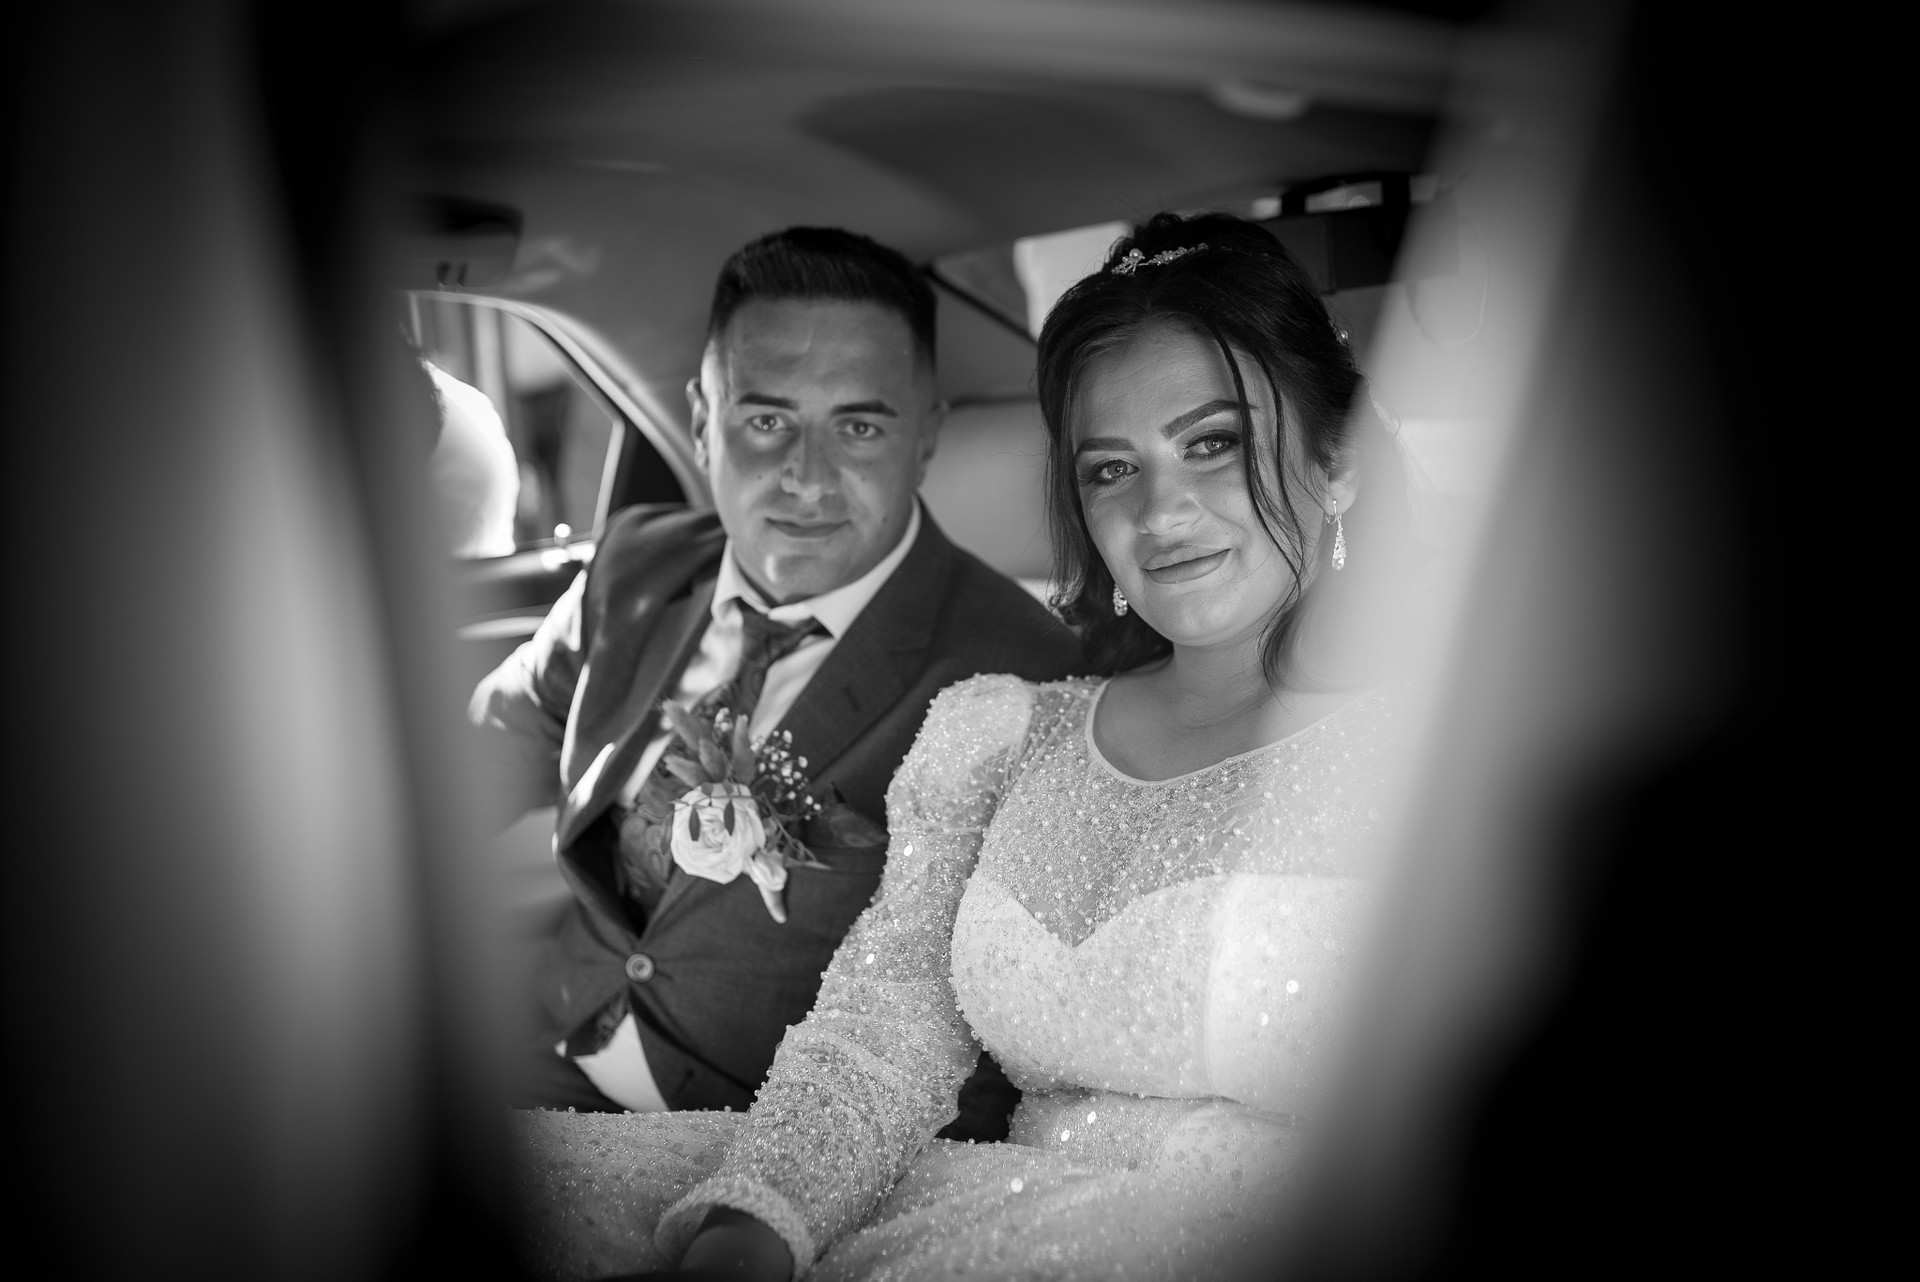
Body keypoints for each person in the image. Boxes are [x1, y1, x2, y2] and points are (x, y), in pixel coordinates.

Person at [511, 212, 1417, 1281]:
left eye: (1213, 443)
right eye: (1110, 469)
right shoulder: (1001, 734)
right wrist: (748, 1232)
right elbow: (879, 1035)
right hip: (973, 1222)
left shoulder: (1446, 753)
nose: (1162, 511)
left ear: (1339, 462)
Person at [471, 227, 1083, 1126]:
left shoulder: (1025, 674)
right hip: (546, 1049)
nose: (806, 478)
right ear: (699, 423)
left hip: (759, 1140)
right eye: (766, 421)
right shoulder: (636, 569)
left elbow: (1003, 1041)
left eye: (860, 427)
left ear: (924, 439)